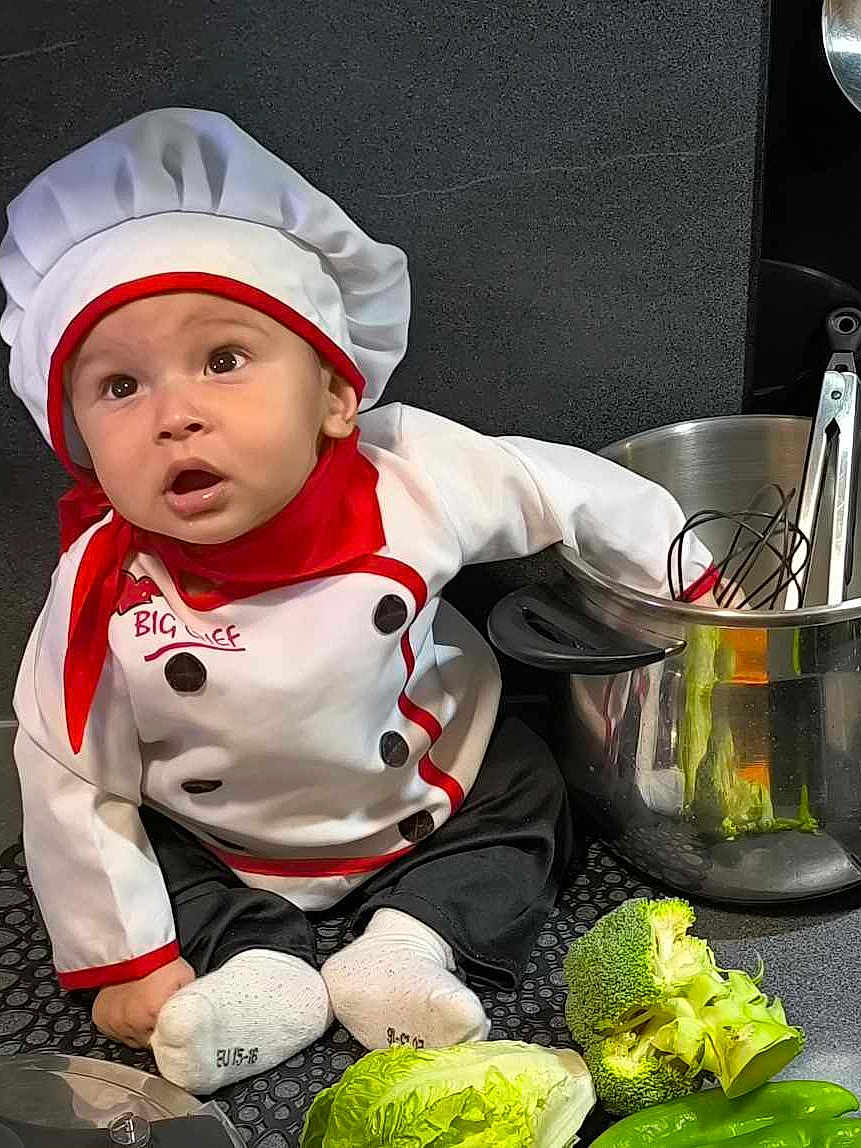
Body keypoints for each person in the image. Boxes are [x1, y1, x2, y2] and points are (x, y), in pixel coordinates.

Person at [0, 108, 714, 1095]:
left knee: (528, 791)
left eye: (223, 359)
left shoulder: (409, 472)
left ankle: (410, 943)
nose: (176, 414)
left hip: (432, 780)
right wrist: (119, 953)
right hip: (225, 834)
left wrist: (686, 581)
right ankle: (258, 973)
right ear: (74, 434)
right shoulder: (99, 594)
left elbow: (556, 487)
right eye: (119, 385)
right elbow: (64, 775)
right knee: (152, 859)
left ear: (337, 395)